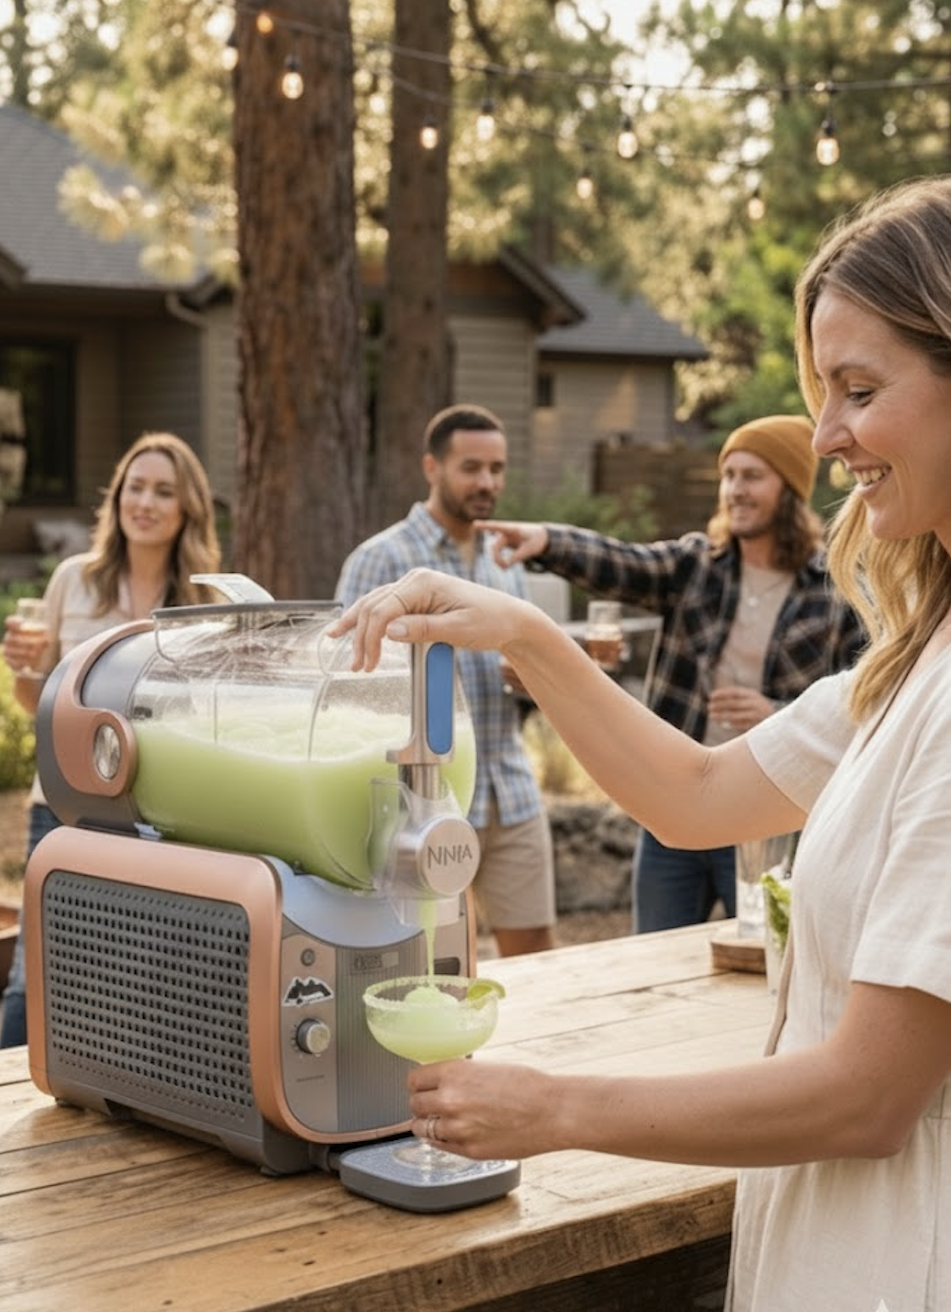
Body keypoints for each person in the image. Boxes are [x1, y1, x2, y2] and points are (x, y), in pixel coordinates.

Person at [330, 175, 951, 1311]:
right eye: (822, 393)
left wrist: (557, 1108)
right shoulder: (912, 657)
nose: (825, 437)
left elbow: (868, 1097)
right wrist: (519, 631)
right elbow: (697, 795)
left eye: (858, 390)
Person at [476, 414, 865, 932]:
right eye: (729, 476)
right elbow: (623, 563)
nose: (735, 490)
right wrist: (547, 541)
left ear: (790, 489)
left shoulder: (834, 589)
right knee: (652, 954)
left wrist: (776, 714)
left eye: (752, 476)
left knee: (763, 960)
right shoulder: (696, 565)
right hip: (674, 805)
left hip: (765, 818)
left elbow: (860, 699)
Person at [0, 431, 223, 1047]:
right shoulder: (74, 580)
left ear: (187, 510)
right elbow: (38, 704)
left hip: (164, 816)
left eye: (163, 491)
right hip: (63, 808)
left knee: (148, 980)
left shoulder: (207, 600)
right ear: (117, 497)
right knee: (34, 975)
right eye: (135, 487)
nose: (144, 502)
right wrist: (23, 670)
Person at [335, 404, 556, 958]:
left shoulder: (505, 563)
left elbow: (523, 672)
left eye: (497, 469)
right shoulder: (380, 558)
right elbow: (346, 683)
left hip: (511, 792)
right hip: (423, 803)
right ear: (432, 467)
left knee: (540, 954)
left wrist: (532, 679)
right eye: (472, 467)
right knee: (436, 959)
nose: (487, 483)